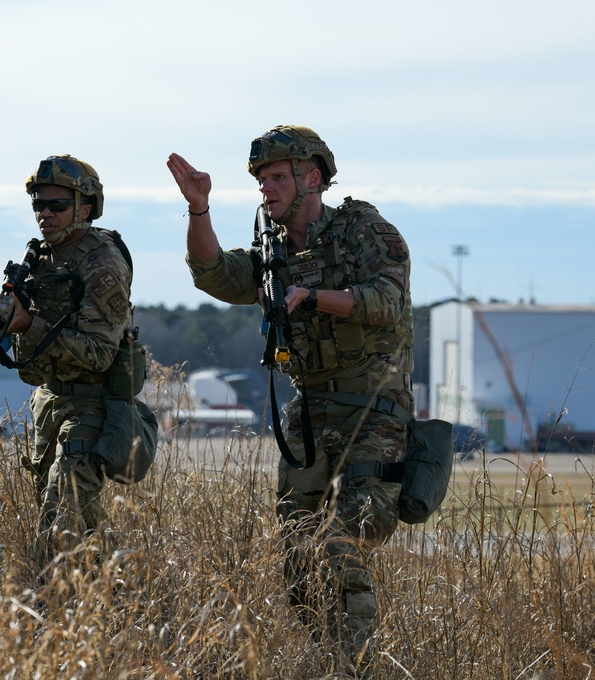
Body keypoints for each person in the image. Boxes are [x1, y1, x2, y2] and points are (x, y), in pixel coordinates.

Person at [168, 126, 414, 672]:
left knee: (343, 544)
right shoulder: (272, 246)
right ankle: (324, 657)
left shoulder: (365, 232)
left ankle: (357, 667)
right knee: (298, 553)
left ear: (313, 178)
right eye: (261, 181)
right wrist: (200, 211)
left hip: (371, 410)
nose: (266, 189)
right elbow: (213, 275)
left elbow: (387, 301)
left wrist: (311, 297)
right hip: (310, 410)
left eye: (277, 178)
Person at [4, 155, 133, 567]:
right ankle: (117, 605)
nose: (44, 214)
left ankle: (57, 615)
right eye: (38, 205)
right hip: (51, 407)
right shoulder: (41, 258)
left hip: (90, 409)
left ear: (85, 207)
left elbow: (99, 353)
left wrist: (30, 325)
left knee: (60, 531)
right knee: (81, 533)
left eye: (56, 205)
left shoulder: (101, 263)